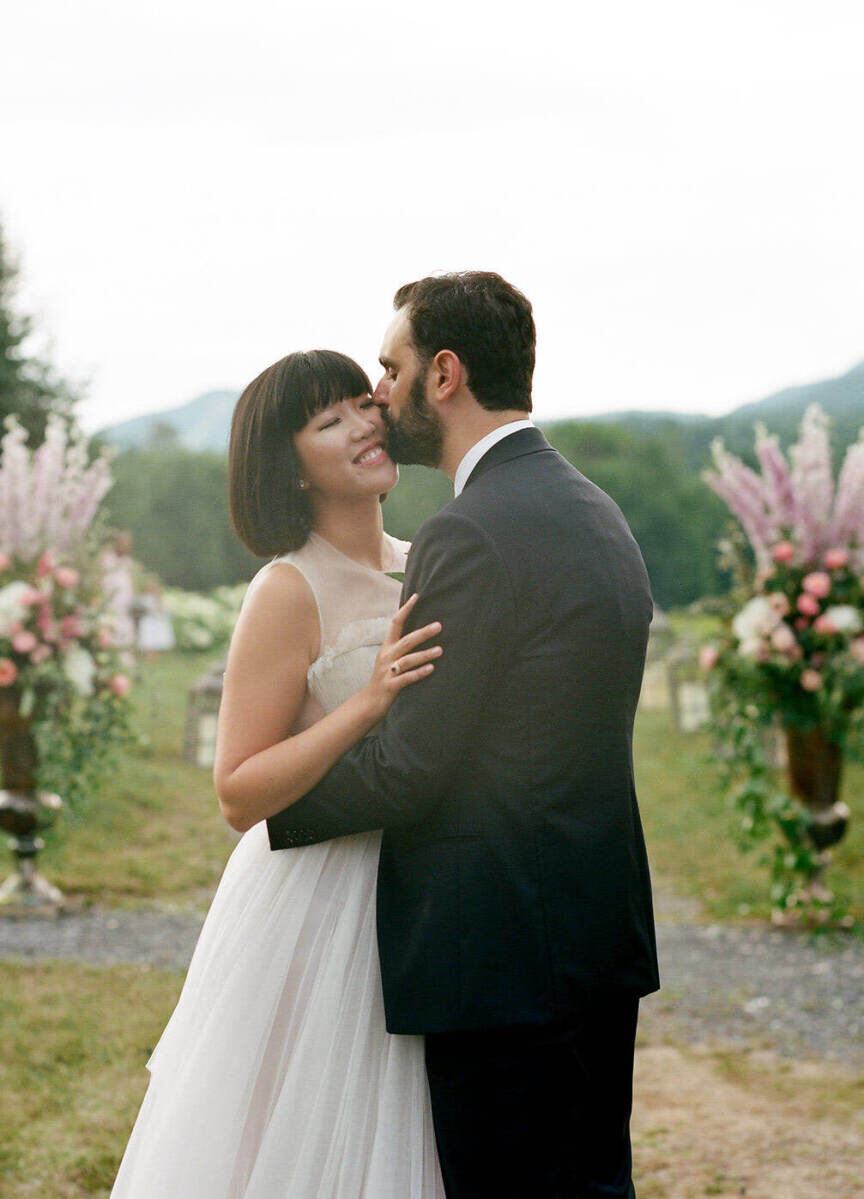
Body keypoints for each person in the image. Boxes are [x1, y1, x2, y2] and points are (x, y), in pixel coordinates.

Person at [267, 272, 660, 1197]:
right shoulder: (594, 510)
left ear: (443, 375)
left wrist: (269, 804)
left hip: (500, 951)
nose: (379, 392)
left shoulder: (468, 533)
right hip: (591, 931)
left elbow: (413, 764)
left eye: (391, 366)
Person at [111, 350, 446, 1197]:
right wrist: (364, 703)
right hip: (317, 896)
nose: (365, 425)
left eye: (359, 405)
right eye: (329, 422)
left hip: (427, 886)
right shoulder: (286, 590)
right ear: (290, 471)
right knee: (293, 1134)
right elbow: (237, 790)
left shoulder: (426, 563)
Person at [135, 580, 176, 661]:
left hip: (155, 620)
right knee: (147, 638)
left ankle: (155, 657)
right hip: (147, 620)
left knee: (155, 639)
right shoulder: (143, 598)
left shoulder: (158, 598)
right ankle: (149, 656)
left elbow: (162, 609)